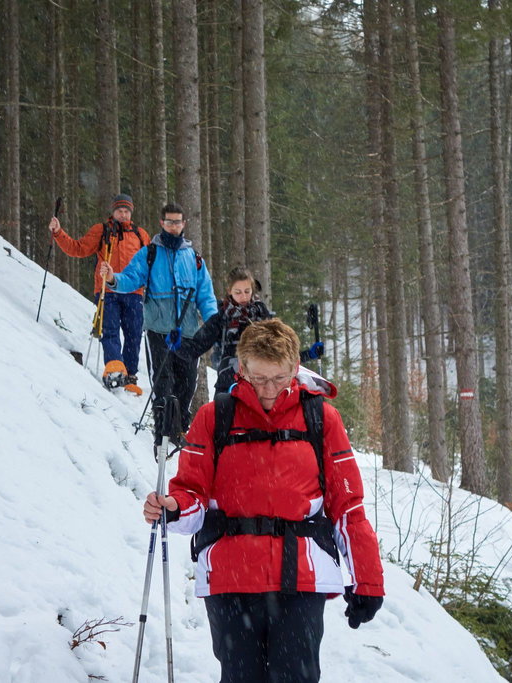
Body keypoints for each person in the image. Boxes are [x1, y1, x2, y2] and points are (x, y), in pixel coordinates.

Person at [142, 319, 385, 682]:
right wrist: (174, 508)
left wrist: (367, 581)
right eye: (259, 378)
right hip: (230, 577)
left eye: (279, 378)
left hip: (301, 576)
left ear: (294, 370)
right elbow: (191, 493)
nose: (269, 390)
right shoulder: (215, 417)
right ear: (242, 370)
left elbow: (347, 506)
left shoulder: (321, 418)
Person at [99, 203, 217, 440]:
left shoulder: (194, 259)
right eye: (169, 222)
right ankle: (162, 431)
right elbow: (132, 279)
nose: (174, 226)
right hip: (158, 330)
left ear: (184, 224)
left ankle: (180, 429)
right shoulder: (149, 253)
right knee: (163, 382)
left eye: (178, 222)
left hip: (189, 333)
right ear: (162, 223)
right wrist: (113, 278)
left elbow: (206, 295)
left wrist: (215, 322)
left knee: (187, 383)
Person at [49, 193, 149, 395]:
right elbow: (78, 249)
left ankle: (129, 375)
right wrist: (59, 233)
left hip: (134, 292)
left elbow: (151, 264)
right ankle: (114, 367)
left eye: (126, 211)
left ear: (131, 213)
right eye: (120, 210)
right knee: (109, 329)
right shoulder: (102, 230)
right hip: (107, 290)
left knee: (133, 334)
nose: (123, 214)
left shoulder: (140, 235)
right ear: (113, 211)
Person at [176, 266, 325, 395]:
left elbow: (281, 349)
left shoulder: (261, 313)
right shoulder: (221, 318)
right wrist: (176, 345)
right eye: (238, 292)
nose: (243, 297)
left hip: (261, 374)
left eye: (247, 291)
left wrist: (308, 354)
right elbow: (196, 347)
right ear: (229, 291)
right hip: (229, 376)